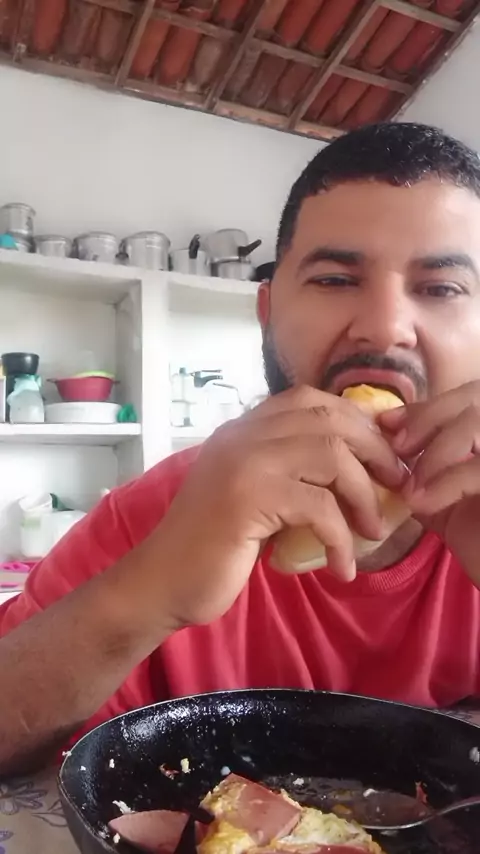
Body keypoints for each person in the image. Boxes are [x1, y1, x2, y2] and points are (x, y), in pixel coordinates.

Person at [2, 121, 480, 775]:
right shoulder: (159, 514)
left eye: (441, 288)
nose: (385, 327)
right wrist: (152, 589)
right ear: (266, 311)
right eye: (335, 279)